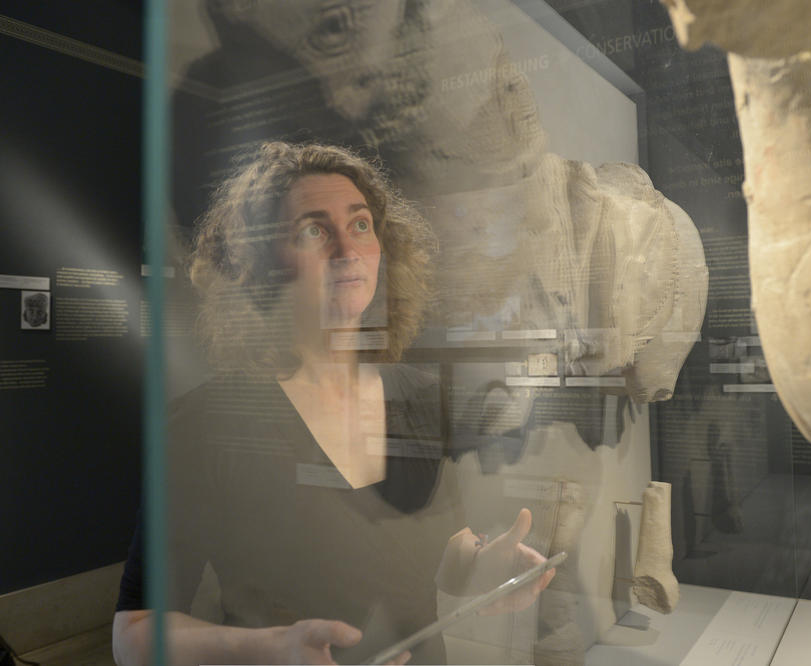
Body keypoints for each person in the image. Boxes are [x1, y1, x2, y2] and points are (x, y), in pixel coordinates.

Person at [112, 142, 554, 666]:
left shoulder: (417, 395)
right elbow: (133, 634)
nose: (347, 250)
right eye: (313, 230)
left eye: (361, 225)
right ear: (258, 267)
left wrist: (486, 566)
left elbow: (440, 553)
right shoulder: (208, 423)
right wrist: (265, 649)